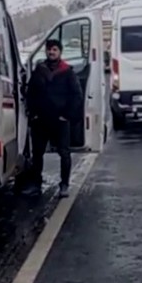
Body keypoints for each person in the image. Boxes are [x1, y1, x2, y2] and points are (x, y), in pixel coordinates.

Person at [23, 39, 83, 198]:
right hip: (40, 119)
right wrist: (32, 113)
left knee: (64, 153)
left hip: (60, 120)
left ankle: (64, 185)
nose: (51, 52)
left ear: (60, 52)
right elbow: (30, 93)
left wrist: (68, 115)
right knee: (37, 154)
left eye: (55, 49)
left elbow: (76, 95)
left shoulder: (67, 72)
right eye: (49, 49)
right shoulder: (39, 70)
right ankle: (36, 184)